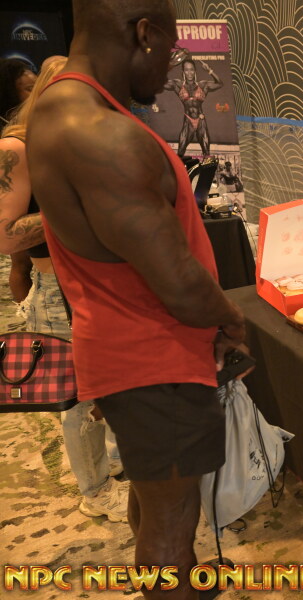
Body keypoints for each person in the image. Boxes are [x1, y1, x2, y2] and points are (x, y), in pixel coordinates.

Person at [28, 1, 246, 597]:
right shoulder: (101, 133)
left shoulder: (62, 109)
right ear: (144, 33)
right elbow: (178, 283)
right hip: (156, 359)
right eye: (171, 51)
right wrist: (233, 320)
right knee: (172, 520)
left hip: (128, 351)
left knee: (156, 500)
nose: (172, 70)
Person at [0, 56, 129, 520]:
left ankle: (111, 464)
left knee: (109, 385)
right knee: (78, 399)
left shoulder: (67, 143)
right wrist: (77, 207)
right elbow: (5, 235)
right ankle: (95, 491)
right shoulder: (17, 146)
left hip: (98, 283)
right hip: (58, 292)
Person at [0, 58, 38, 303]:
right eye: (29, 89)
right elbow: (7, 236)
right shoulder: (10, 140)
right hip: (15, 208)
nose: (37, 95)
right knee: (21, 263)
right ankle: (25, 314)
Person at [164, 58, 222, 157]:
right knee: (180, 152)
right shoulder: (178, 84)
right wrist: (170, 66)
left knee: (206, 154)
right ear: (183, 72)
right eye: (186, 70)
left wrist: (209, 70)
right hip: (188, 121)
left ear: (195, 71)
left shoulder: (202, 85)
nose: (189, 73)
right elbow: (159, 82)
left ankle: (207, 166)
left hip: (201, 121)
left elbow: (220, 84)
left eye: (191, 69)